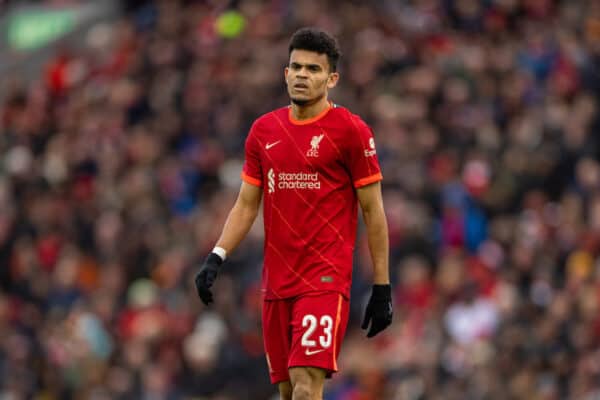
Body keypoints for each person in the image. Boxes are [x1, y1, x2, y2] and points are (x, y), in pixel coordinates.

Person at [194, 27, 393, 400]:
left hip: (324, 277)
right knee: (286, 392)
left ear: (332, 79)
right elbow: (246, 204)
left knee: (306, 386)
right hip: (277, 280)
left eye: (313, 69)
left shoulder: (351, 131)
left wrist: (382, 287)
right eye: (296, 67)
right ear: (285, 73)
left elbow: (373, 211)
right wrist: (216, 257)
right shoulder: (263, 130)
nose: (302, 75)